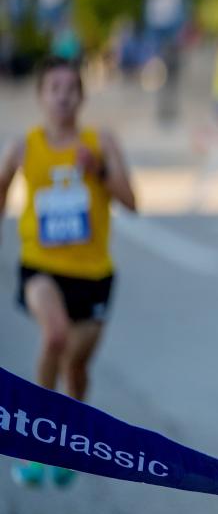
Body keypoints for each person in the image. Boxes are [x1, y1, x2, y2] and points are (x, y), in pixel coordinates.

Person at [0, 56, 137, 487]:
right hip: (40, 265)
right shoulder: (24, 147)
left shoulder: (101, 141)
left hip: (93, 274)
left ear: (81, 96)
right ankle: (37, 449)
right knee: (55, 336)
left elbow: (132, 201)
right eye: (53, 88)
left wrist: (97, 170)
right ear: (41, 96)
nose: (62, 96)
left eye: (70, 89)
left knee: (77, 369)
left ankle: (70, 445)